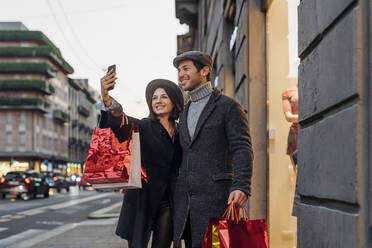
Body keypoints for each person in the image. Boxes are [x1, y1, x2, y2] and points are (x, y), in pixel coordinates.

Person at [172, 51, 254, 248]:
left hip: (218, 202)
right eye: (178, 70)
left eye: (186, 68)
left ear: (205, 71)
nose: (181, 74)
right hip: (187, 208)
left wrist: (241, 185)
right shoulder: (183, 112)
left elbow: (242, 147)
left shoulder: (228, 106)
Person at [99, 69, 184, 248]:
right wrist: (107, 98)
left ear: (174, 102)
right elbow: (119, 120)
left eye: (163, 97)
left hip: (168, 202)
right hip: (141, 199)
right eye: (154, 98)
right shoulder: (143, 126)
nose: (158, 101)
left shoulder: (182, 132)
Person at [282, 84, 299, 172]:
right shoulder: (289, 92)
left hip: (313, 130)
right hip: (296, 134)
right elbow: (289, 117)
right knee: (299, 172)